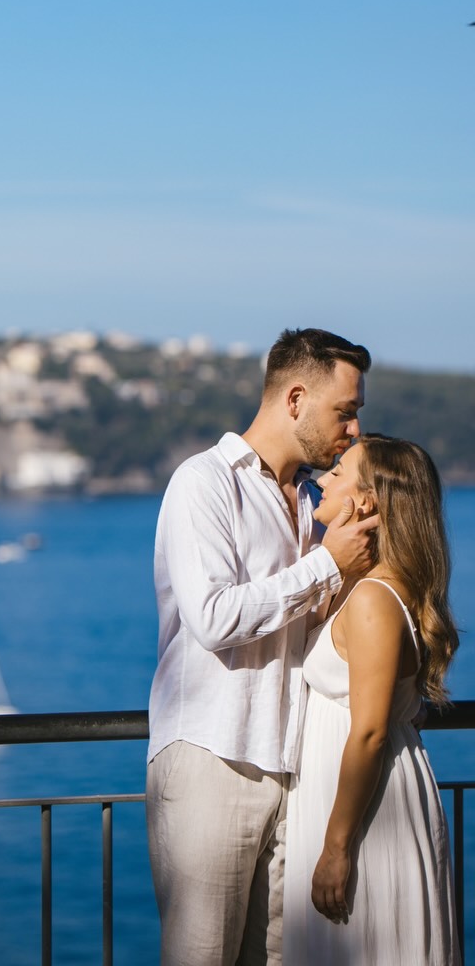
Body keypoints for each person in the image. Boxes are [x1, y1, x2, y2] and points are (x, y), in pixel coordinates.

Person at [146, 327, 377, 966]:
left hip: (293, 773)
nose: (353, 430)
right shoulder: (203, 482)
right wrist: (327, 566)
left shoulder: (311, 501)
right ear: (296, 398)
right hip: (211, 760)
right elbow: (215, 618)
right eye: (346, 411)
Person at [282, 434, 461, 965]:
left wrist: (337, 848)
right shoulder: (362, 587)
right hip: (350, 800)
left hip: (364, 815)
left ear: (367, 502)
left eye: (337, 472)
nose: (320, 478)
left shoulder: (375, 602)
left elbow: (370, 731)